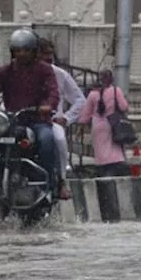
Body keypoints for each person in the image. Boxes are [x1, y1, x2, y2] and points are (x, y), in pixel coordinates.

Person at [0, 29, 67, 200]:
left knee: (47, 140)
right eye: (18, 50)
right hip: (10, 122)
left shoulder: (45, 70)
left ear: (34, 51)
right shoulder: (5, 71)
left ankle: (46, 186)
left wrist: (48, 106)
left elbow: (53, 92)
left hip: (37, 120)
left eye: (26, 50)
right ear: (12, 52)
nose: (22, 54)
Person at [42, 40, 84, 196]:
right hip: (25, 120)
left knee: (59, 139)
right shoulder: (20, 72)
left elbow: (80, 100)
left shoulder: (59, 74)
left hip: (49, 121)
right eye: (44, 54)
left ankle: (62, 180)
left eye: (50, 54)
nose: (48, 58)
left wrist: (65, 118)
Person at [77, 70, 131, 178]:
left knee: (101, 152)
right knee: (115, 150)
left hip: (98, 127)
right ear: (111, 79)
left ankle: (104, 173)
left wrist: (80, 129)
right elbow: (124, 107)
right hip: (114, 125)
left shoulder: (93, 94)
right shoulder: (116, 91)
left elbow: (85, 114)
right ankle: (116, 172)